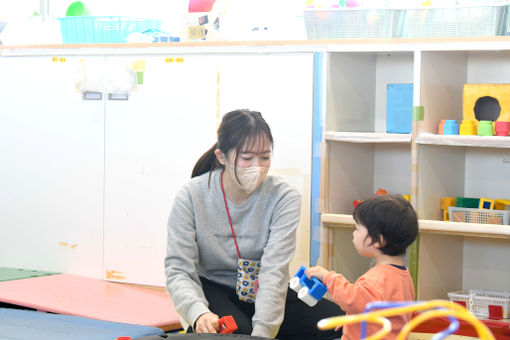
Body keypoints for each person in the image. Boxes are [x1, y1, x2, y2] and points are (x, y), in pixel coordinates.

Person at [165, 109, 343, 339]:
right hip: (212, 288)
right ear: (222, 157)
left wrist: (263, 333)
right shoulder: (191, 196)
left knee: (337, 323)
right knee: (237, 333)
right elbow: (178, 269)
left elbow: (273, 272)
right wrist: (198, 313)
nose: (257, 166)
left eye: (265, 157)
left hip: (262, 287)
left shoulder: (284, 197)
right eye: (247, 158)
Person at [306, 194, 419, 340]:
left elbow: (351, 299)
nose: (354, 234)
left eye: (358, 229)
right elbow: (379, 310)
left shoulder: (378, 278)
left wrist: (328, 277)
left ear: (379, 240)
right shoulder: (403, 276)